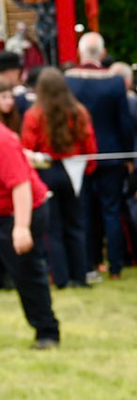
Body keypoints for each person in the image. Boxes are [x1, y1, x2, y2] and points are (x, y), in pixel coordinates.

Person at [67, 33, 137, 279]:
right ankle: (116, 266)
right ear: (103, 53)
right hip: (112, 154)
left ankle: (88, 264)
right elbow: (124, 123)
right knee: (111, 211)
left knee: (84, 211)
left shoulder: (68, 81)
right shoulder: (114, 82)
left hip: (79, 156)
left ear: (80, 52)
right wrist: (128, 155)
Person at [20, 67, 96, 288]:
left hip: (46, 173)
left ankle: (61, 278)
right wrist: (88, 168)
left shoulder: (34, 114)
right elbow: (89, 143)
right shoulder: (79, 111)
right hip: (74, 172)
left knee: (53, 229)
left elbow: (28, 148)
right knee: (76, 225)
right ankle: (80, 276)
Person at [0, 116, 58, 348]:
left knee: (26, 271)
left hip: (24, 209)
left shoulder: (3, 141)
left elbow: (21, 185)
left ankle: (47, 332)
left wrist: (21, 228)